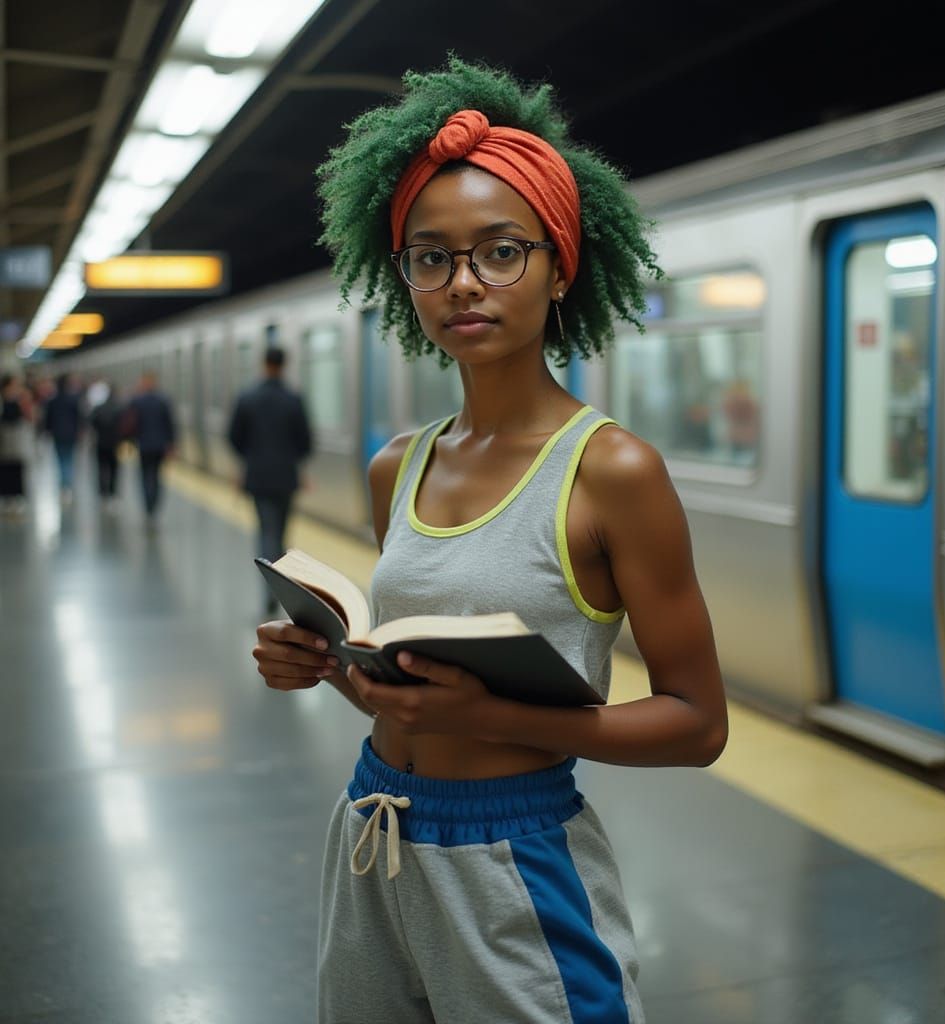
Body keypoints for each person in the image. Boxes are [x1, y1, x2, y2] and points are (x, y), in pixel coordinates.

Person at [252, 57, 727, 1024]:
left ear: (560, 267)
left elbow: (697, 722)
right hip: (374, 834)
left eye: (500, 251)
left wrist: (492, 717)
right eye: (431, 258)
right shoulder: (400, 465)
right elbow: (415, 693)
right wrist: (330, 667)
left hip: (517, 858)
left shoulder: (612, 472)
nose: (463, 283)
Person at [228, 345, 313, 613]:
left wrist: (250, 459)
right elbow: (306, 441)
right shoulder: (293, 398)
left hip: (257, 477)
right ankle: (278, 583)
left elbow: (234, 437)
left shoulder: (247, 397)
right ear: (284, 364)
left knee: (267, 531)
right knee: (281, 531)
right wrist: (292, 460)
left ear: (263, 363)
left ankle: (269, 587)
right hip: (286, 477)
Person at [124, 370, 176, 525]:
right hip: (160, 445)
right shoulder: (164, 400)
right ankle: (154, 507)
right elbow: (170, 424)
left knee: (145, 475)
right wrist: (171, 444)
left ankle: (148, 507)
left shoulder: (136, 401)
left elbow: (130, 424)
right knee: (156, 475)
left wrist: (130, 442)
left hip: (143, 445)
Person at [43, 373, 81, 501]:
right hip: (70, 434)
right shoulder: (73, 399)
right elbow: (78, 417)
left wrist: (47, 431)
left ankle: (64, 486)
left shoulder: (52, 400)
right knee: (68, 460)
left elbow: (48, 418)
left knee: (60, 461)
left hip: (57, 434)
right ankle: (67, 486)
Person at [0, 373, 34, 516]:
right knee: (5, 470)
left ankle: (18, 498)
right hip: (4, 440)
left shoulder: (22, 400)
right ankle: (7, 498)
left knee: (18, 469)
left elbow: (31, 418)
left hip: (18, 440)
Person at [89, 381, 125, 506]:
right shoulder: (119, 408)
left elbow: (92, 423)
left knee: (101, 468)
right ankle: (112, 492)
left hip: (101, 442)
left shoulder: (99, 408)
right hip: (115, 443)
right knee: (114, 469)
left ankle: (102, 493)